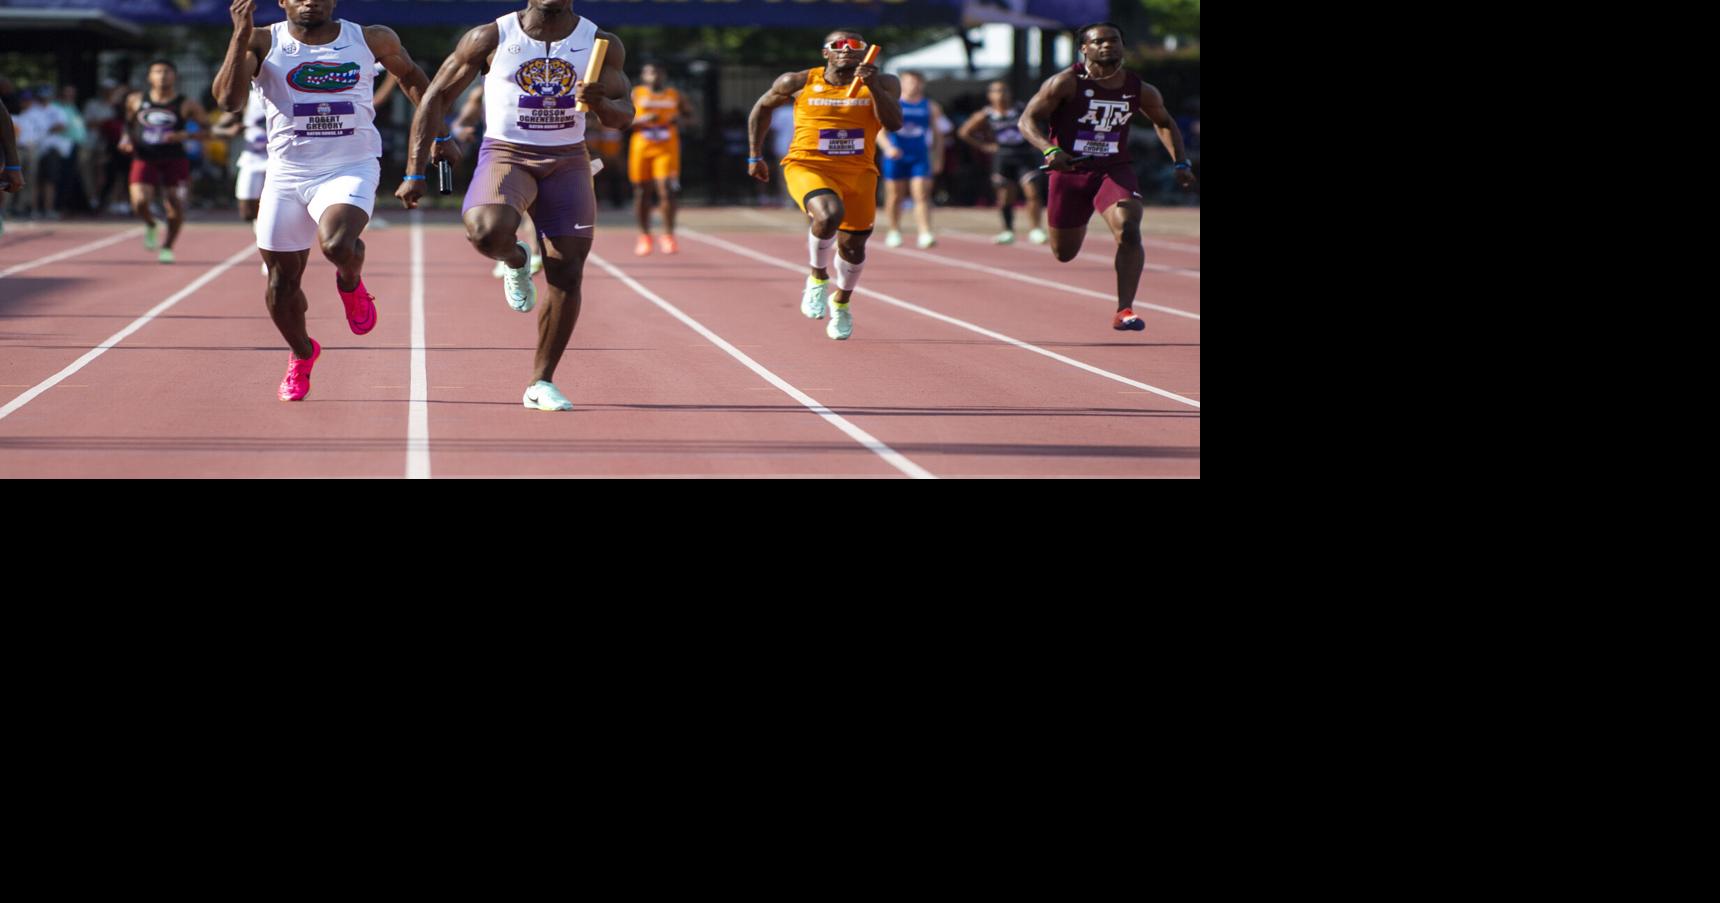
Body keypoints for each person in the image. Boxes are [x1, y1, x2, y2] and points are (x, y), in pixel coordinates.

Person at [398, 0, 633, 412]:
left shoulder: (599, 43)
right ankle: (515, 258)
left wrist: (600, 104)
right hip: (507, 152)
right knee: (486, 231)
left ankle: (541, 381)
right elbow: (435, 97)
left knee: (567, 272)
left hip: (568, 159)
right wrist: (415, 170)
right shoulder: (491, 36)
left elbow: (623, 116)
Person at [212, 0, 438, 401]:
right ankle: (303, 354)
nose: (310, 1)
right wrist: (239, 35)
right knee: (281, 285)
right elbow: (228, 101)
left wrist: (439, 136)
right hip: (286, 173)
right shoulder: (263, 41)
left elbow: (416, 80)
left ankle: (350, 282)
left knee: (337, 244)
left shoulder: (371, 38)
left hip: (351, 165)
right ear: (283, 1)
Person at [1019, 22, 1196, 332]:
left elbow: (1164, 122)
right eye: (1098, 41)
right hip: (1069, 172)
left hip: (1113, 169)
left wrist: (1181, 163)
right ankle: (1080, 218)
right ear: (1084, 48)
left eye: (1113, 40)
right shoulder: (1065, 83)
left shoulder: (1139, 88)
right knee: (1064, 253)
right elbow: (1027, 120)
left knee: (1129, 229)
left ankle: (1124, 309)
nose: (1107, 45)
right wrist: (1049, 151)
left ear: (1122, 46)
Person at [746, 31, 902, 341]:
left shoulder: (884, 83)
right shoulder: (798, 81)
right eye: (838, 46)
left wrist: (871, 87)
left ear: (864, 53)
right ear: (825, 54)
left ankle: (841, 301)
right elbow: (761, 108)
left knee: (853, 247)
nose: (846, 50)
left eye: (854, 45)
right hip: (808, 164)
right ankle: (817, 278)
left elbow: (894, 123)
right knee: (828, 214)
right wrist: (755, 156)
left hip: (858, 170)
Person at [120, 61, 210, 262]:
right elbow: (127, 124)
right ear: (149, 77)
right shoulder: (135, 100)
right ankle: (151, 224)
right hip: (145, 156)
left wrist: (184, 135)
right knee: (140, 202)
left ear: (175, 76)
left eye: (167, 72)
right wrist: (125, 139)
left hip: (174, 158)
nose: (162, 76)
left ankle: (168, 245)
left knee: (175, 203)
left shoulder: (187, 104)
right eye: (157, 72)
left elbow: (207, 130)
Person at [957, 80, 1047, 245]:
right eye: (996, 91)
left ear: (1010, 93)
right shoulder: (986, 114)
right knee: (1005, 196)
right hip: (1003, 157)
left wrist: (1039, 144)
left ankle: (1036, 229)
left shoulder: (1022, 110)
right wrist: (984, 146)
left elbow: (1038, 125)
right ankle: (1007, 230)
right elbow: (964, 132)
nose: (1001, 95)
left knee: (1032, 192)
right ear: (990, 96)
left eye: (1004, 91)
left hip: (1025, 156)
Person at [628, 61, 693, 255]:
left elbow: (691, 117)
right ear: (643, 76)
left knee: (666, 190)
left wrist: (679, 120)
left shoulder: (675, 95)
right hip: (642, 145)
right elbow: (620, 120)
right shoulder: (636, 94)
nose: (653, 76)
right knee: (642, 191)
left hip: (666, 147)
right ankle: (644, 235)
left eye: (657, 72)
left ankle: (668, 235)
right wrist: (642, 120)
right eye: (649, 73)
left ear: (663, 74)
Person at [877, 69, 943, 249]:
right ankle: (894, 230)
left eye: (916, 82)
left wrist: (938, 157)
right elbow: (879, 131)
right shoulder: (892, 103)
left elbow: (938, 135)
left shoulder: (930, 106)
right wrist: (888, 148)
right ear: (902, 84)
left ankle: (924, 231)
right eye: (909, 81)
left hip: (919, 156)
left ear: (922, 84)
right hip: (896, 156)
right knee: (895, 195)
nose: (913, 85)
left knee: (921, 194)